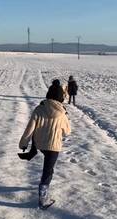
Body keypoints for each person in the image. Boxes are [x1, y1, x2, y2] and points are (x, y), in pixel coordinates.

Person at [19, 80, 71, 209]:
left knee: (47, 168)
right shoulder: (62, 113)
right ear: (61, 97)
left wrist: (24, 143)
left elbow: (30, 128)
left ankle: (33, 152)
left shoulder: (39, 108)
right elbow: (67, 132)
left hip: (40, 143)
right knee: (48, 171)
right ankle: (43, 199)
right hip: (53, 146)